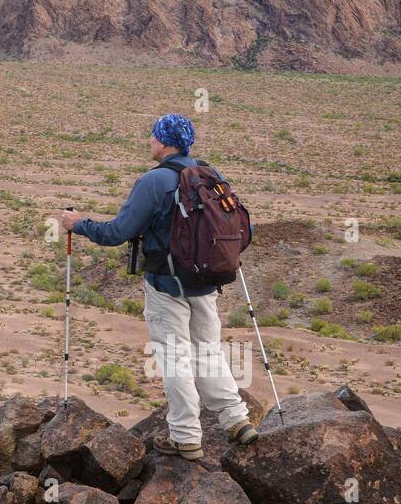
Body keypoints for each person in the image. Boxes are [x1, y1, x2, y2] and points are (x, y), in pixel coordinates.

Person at [57, 113, 258, 459]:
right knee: (207, 351)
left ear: (164, 142)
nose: (149, 141)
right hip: (207, 282)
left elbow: (118, 233)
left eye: (153, 136)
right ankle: (237, 419)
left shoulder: (155, 182)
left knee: (175, 359)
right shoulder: (211, 175)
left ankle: (185, 437)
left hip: (167, 285)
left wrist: (79, 224)